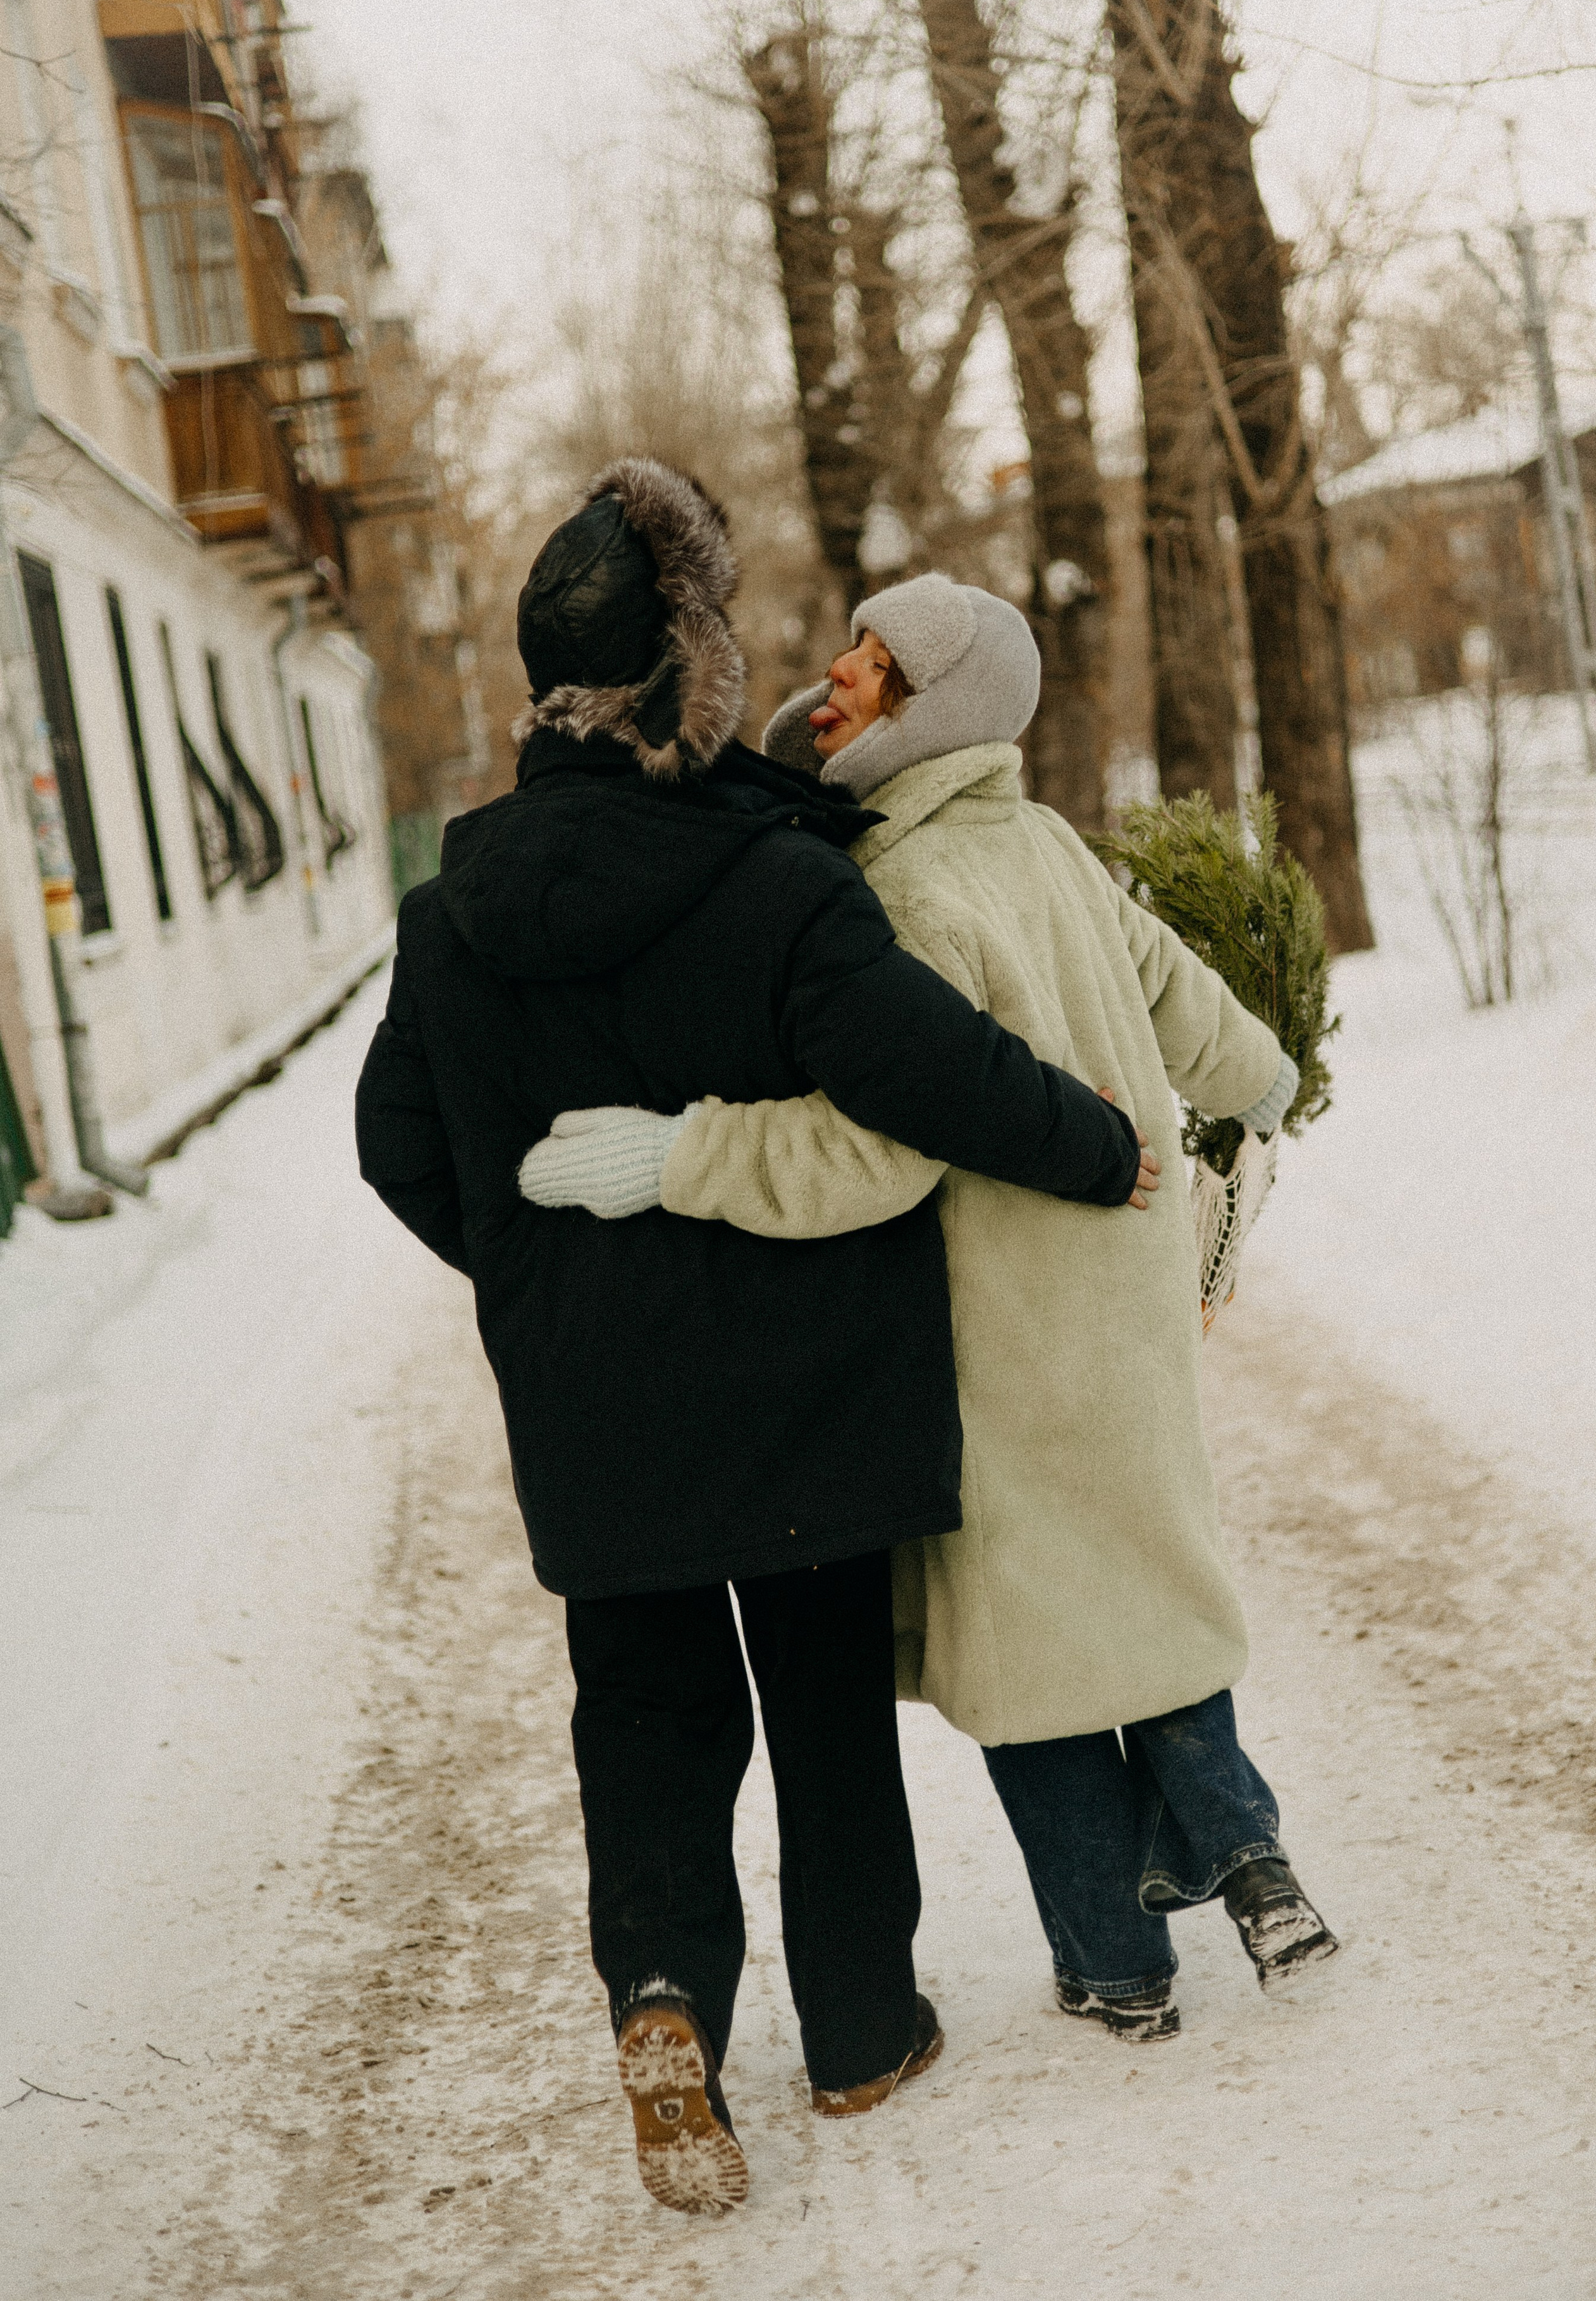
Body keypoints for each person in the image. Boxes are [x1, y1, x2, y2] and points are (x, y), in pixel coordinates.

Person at [354, 466, 1157, 2218]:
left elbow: (401, 1147)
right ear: (698, 676)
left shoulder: (453, 920)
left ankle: (665, 2009)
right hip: (811, 1391)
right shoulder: (781, 876)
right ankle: (864, 2030)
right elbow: (931, 1072)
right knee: (820, 1710)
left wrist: (537, 1285)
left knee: (642, 1718)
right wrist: (1104, 1147)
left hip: (599, 1419)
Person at [520, 570, 1339, 2052]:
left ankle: (1116, 1963)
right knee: (1147, 1578)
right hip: (1126, 1289)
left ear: (937, 702)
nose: (834, 668)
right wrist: (1261, 1076)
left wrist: (685, 1155)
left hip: (991, 1319)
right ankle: (1244, 1850)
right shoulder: (1045, 844)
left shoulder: (896, 891)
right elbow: (1170, 987)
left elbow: (878, 1144)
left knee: (1026, 1662)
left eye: (873, 659)